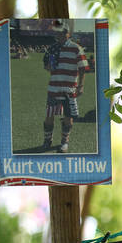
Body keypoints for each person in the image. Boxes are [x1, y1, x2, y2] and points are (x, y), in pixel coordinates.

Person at [42, 20, 89, 153]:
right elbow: (46, 65)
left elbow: (83, 68)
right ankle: (47, 141)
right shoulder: (52, 48)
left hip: (69, 89)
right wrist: (48, 66)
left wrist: (81, 86)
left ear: (67, 33)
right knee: (49, 116)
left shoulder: (76, 48)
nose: (59, 35)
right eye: (58, 33)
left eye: (62, 33)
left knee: (68, 117)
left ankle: (64, 143)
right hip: (53, 88)